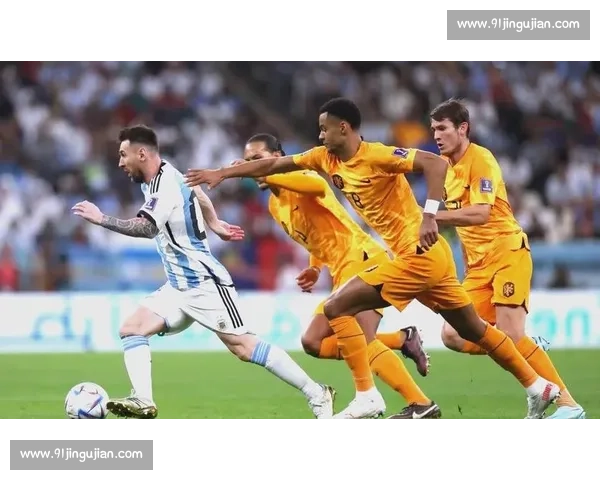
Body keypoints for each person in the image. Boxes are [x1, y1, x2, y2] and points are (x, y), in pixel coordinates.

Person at [185, 98, 561, 421]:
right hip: (424, 258)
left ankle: (368, 395)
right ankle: (537, 386)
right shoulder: (323, 159)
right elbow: (272, 168)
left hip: (418, 253)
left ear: (344, 128)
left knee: (337, 307)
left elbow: (435, 164)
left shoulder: (378, 155)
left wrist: (430, 215)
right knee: (474, 330)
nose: (320, 135)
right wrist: (224, 173)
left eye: (325, 129)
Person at [71, 125, 335, 420]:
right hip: (177, 285)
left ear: (141, 153)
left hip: (203, 281)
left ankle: (317, 393)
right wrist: (214, 223)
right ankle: (144, 401)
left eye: (123, 154)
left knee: (244, 347)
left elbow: (147, 228)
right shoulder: (165, 173)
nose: (120, 162)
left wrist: (101, 219)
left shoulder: (163, 185)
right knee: (132, 328)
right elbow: (197, 191)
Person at [243, 133, 437, 417]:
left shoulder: (304, 176)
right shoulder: (275, 205)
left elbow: (318, 187)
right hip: (341, 271)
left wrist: (266, 173)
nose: (251, 166)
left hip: (363, 259)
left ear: (277, 157)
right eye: (247, 162)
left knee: (365, 342)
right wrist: (315, 266)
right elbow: (316, 235)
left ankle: (420, 403)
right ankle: (401, 339)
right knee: (313, 342)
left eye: (257, 160)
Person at [430, 98, 585, 420]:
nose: (436, 135)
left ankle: (569, 405)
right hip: (478, 267)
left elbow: (481, 213)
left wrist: (433, 216)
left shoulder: (481, 160)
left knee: (511, 333)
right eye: (433, 129)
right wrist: (467, 263)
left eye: (443, 128)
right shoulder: (444, 169)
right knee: (452, 335)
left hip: (506, 252)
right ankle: (528, 349)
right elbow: (463, 226)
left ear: (463, 128)